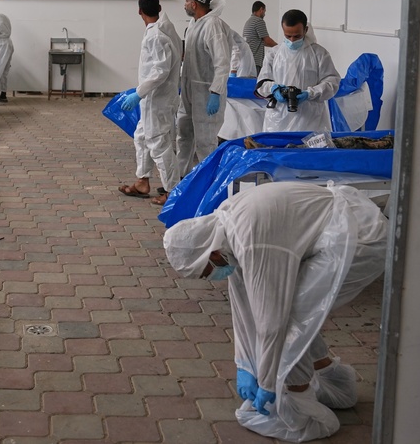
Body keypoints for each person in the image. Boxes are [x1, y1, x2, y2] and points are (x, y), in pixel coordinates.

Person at [162, 181, 388, 441]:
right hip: (341, 226)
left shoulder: (251, 241)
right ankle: (335, 384)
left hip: (359, 238)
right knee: (292, 310)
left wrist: (267, 383)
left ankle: (301, 412)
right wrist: (244, 364)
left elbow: (272, 324)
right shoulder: (226, 227)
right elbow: (243, 303)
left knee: (291, 320)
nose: (210, 278)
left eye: (205, 273)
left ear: (212, 255)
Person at [117, 0, 183, 206]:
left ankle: (172, 191)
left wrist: (139, 93)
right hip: (154, 98)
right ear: (159, 8)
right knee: (141, 137)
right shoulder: (166, 28)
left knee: (159, 144)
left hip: (158, 100)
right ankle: (142, 181)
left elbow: (160, 71)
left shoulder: (156, 35)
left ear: (139, 11)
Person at [175, 0, 232, 175]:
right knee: (184, 135)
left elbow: (222, 63)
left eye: (186, 1)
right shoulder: (194, 24)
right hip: (189, 90)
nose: (184, 5)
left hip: (206, 93)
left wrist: (216, 92)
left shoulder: (213, 25)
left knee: (205, 141)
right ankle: (182, 178)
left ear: (194, 3)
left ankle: (207, 182)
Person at [255, 9, 341, 133]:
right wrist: (274, 89)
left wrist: (310, 93)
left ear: (305, 30)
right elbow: (262, 83)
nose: (292, 40)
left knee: (309, 145)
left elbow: (332, 83)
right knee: (277, 145)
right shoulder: (274, 54)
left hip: (311, 119)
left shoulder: (319, 54)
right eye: (288, 36)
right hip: (278, 120)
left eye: (297, 36)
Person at [243, 1, 278, 74]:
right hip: (254, 61)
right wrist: (280, 48)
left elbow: (261, 42)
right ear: (261, 9)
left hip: (247, 60)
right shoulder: (258, 21)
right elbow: (267, 40)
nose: (264, 14)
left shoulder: (249, 21)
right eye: (264, 11)